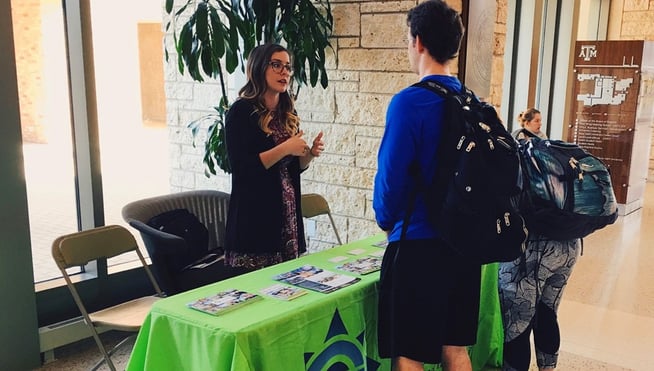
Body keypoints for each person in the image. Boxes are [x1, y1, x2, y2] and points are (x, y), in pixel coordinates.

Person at [373, 1, 479, 370]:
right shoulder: (471, 102)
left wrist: (386, 221)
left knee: (410, 353)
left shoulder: (408, 103)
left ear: (417, 41)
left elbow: (390, 179)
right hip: (464, 243)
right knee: (455, 348)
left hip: (417, 245)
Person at [224, 43, 324, 272]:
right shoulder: (240, 112)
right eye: (276, 65)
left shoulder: (287, 111)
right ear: (259, 68)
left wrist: (308, 155)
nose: (284, 72)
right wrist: (286, 147)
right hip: (255, 218)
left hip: (287, 216)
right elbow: (243, 169)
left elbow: (291, 169)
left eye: (288, 67)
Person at [497, 112, 581, 371]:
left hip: (532, 249)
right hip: (568, 243)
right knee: (547, 313)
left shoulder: (513, 155)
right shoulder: (547, 151)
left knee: (518, 323)